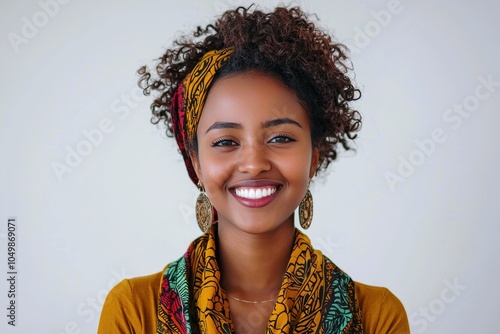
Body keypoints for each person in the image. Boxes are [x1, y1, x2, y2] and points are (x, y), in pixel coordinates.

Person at [98, 5, 410, 334]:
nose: (254, 163)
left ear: (314, 157)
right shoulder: (133, 310)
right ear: (196, 165)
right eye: (225, 142)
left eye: (280, 137)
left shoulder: (377, 316)